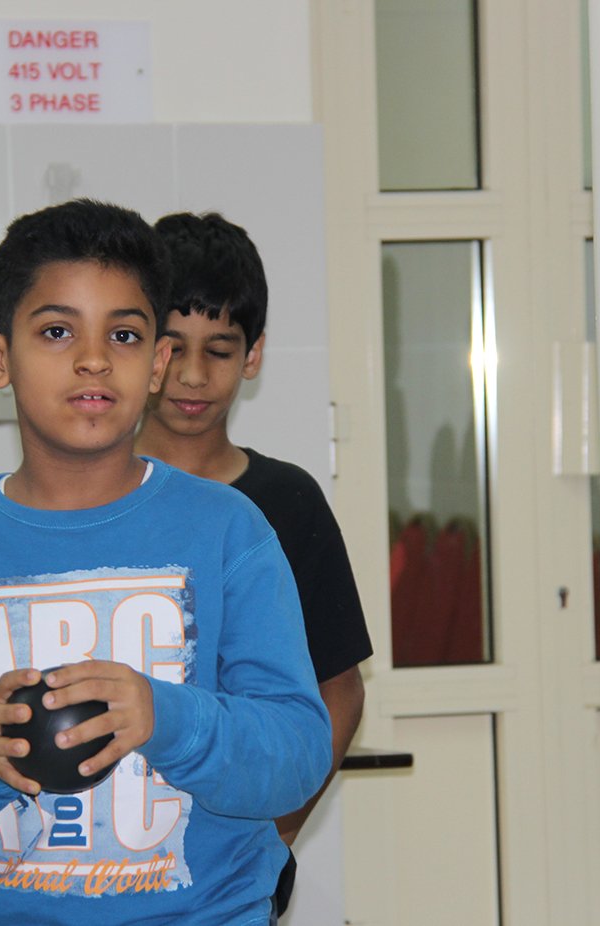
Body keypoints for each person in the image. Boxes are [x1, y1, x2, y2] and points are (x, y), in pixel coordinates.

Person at [0, 199, 331, 925]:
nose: (94, 359)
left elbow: (296, 756)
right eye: (56, 331)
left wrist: (166, 717)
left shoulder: (229, 530)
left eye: (125, 334)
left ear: (157, 363)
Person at [134, 211, 373, 910]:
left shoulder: (287, 502)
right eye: (172, 346)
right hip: (93, 860)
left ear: (254, 354)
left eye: (219, 349)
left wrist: (275, 833)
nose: (192, 375)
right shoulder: (86, 493)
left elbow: (339, 690)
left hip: (234, 875)